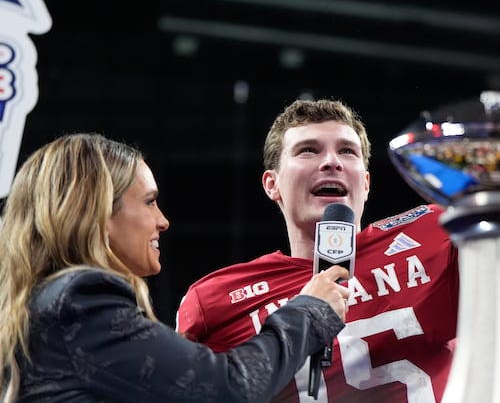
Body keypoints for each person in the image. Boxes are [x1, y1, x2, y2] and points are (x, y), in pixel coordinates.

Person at [0, 132, 351, 403]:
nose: (163, 220)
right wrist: (310, 311)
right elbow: (228, 389)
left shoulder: (39, 305)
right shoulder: (81, 300)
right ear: (97, 213)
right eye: (150, 202)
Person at [176, 98, 459, 402]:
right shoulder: (215, 300)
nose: (331, 162)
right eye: (308, 150)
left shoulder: (438, 231)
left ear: (365, 183)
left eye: (347, 151)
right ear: (272, 184)